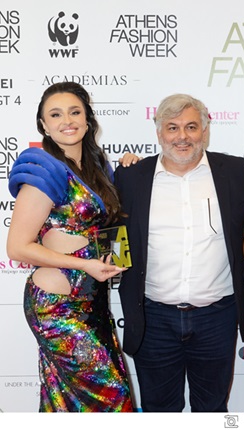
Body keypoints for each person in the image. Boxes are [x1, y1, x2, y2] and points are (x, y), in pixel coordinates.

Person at [114, 93, 244, 412]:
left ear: (204, 130)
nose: (182, 136)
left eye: (191, 127)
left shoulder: (234, 171)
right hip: (153, 319)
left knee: (212, 409)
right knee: (159, 410)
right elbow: (113, 234)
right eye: (172, 127)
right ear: (159, 133)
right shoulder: (131, 177)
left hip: (216, 317)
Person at [7, 82, 134, 412]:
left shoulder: (97, 168)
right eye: (56, 114)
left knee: (65, 403)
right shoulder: (44, 169)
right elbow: (17, 247)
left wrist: (130, 170)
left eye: (75, 112)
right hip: (58, 307)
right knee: (111, 397)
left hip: (94, 302)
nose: (67, 120)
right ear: (43, 124)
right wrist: (84, 264)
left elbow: (106, 228)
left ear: (88, 120)